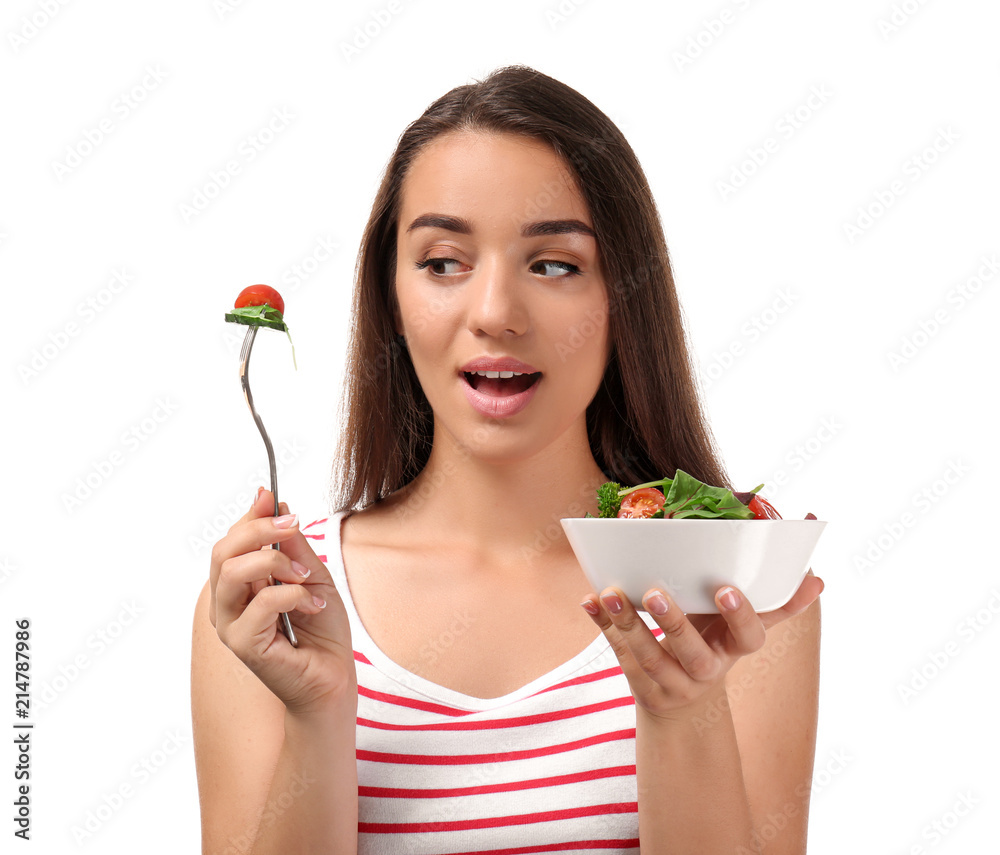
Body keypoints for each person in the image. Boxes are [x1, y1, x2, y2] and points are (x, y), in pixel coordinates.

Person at [191, 64, 824, 855]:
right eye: (443, 262)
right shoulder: (277, 600)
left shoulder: (732, 580)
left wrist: (682, 712)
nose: (494, 314)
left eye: (554, 263)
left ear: (623, 296)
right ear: (389, 296)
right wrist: (318, 720)